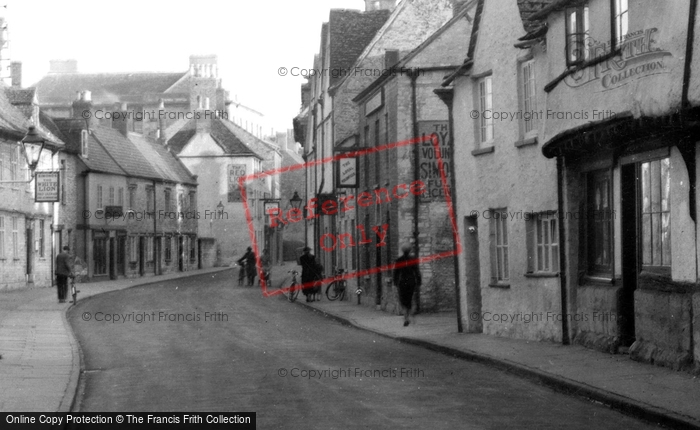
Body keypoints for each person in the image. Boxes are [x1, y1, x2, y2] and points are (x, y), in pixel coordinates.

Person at [393, 244, 422, 326]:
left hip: (402, 282)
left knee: (403, 299)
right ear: (409, 251)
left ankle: (406, 317)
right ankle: (410, 314)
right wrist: (419, 281)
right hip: (411, 281)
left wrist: (395, 282)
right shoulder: (413, 259)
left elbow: (396, 272)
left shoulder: (399, 260)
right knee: (410, 298)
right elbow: (417, 271)